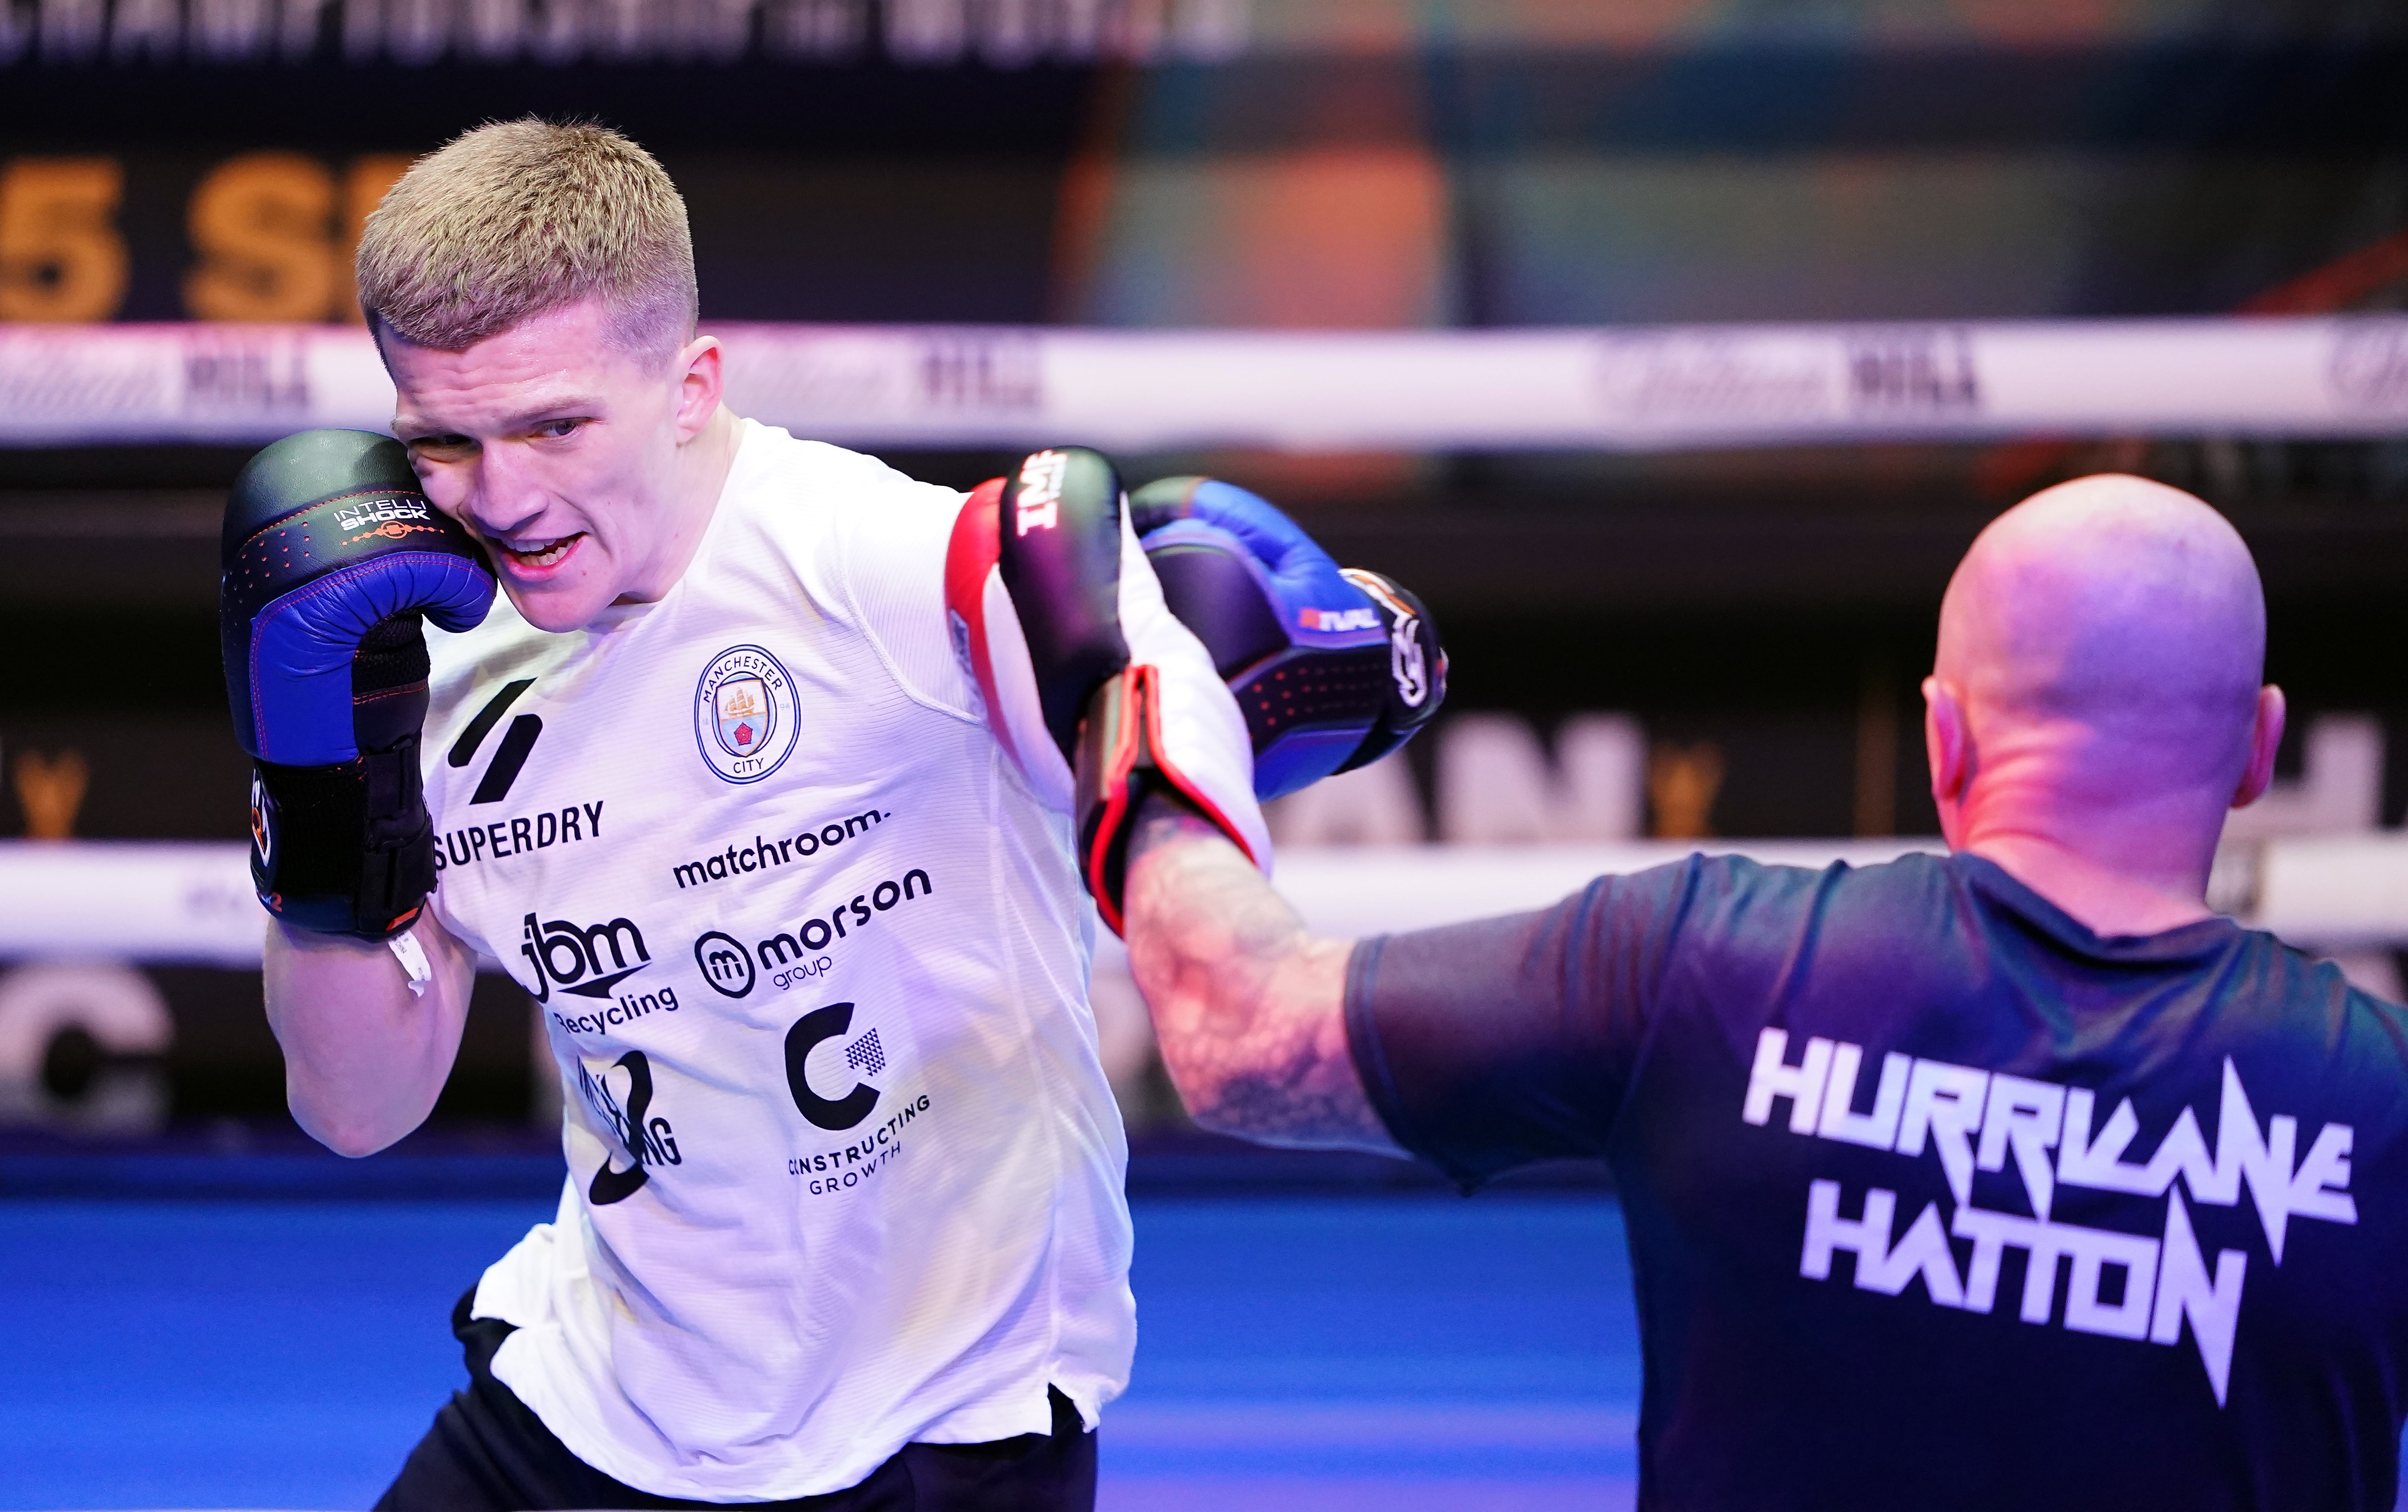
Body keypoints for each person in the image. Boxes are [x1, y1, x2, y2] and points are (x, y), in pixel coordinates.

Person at [214, 119, 1427, 1511]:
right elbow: (360, 1107)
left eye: (554, 426)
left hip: (941, 1431)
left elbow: (1096, 627)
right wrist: (314, 800)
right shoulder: (426, 653)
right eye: (443, 442)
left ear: (690, 386)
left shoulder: (881, 567)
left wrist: (1195, 730)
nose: (503, 500)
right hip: (594, 1400)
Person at [1118, 473, 2408, 1511]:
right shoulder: (2383, 1099)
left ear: (1941, 736)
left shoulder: (1716, 962)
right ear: (2258, 749)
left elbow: (1238, 1032)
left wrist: (1145, 715)